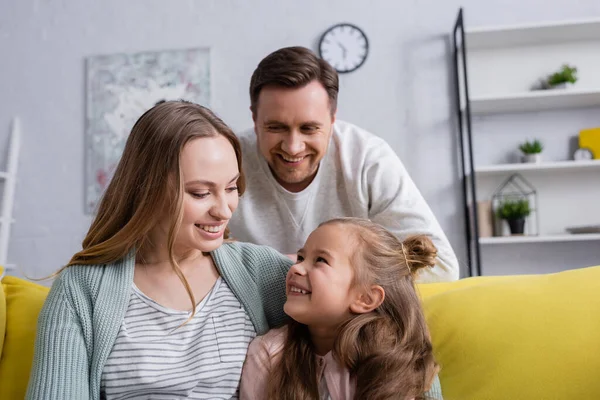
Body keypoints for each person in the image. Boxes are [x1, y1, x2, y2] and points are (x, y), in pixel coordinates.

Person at [26, 100, 293, 400]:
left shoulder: (260, 272)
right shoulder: (80, 290)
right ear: (147, 189)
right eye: (201, 193)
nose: (224, 210)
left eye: (231, 187)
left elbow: (349, 327)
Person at [228, 46, 459, 283]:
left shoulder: (368, 158)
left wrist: (326, 274)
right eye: (276, 128)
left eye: (309, 128)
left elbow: (440, 268)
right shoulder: (227, 160)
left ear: (332, 119)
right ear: (255, 119)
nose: (293, 147)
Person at [239, 217, 443, 399]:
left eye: (320, 260)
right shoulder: (268, 354)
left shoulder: (389, 360)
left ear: (366, 298)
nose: (296, 267)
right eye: (301, 257)